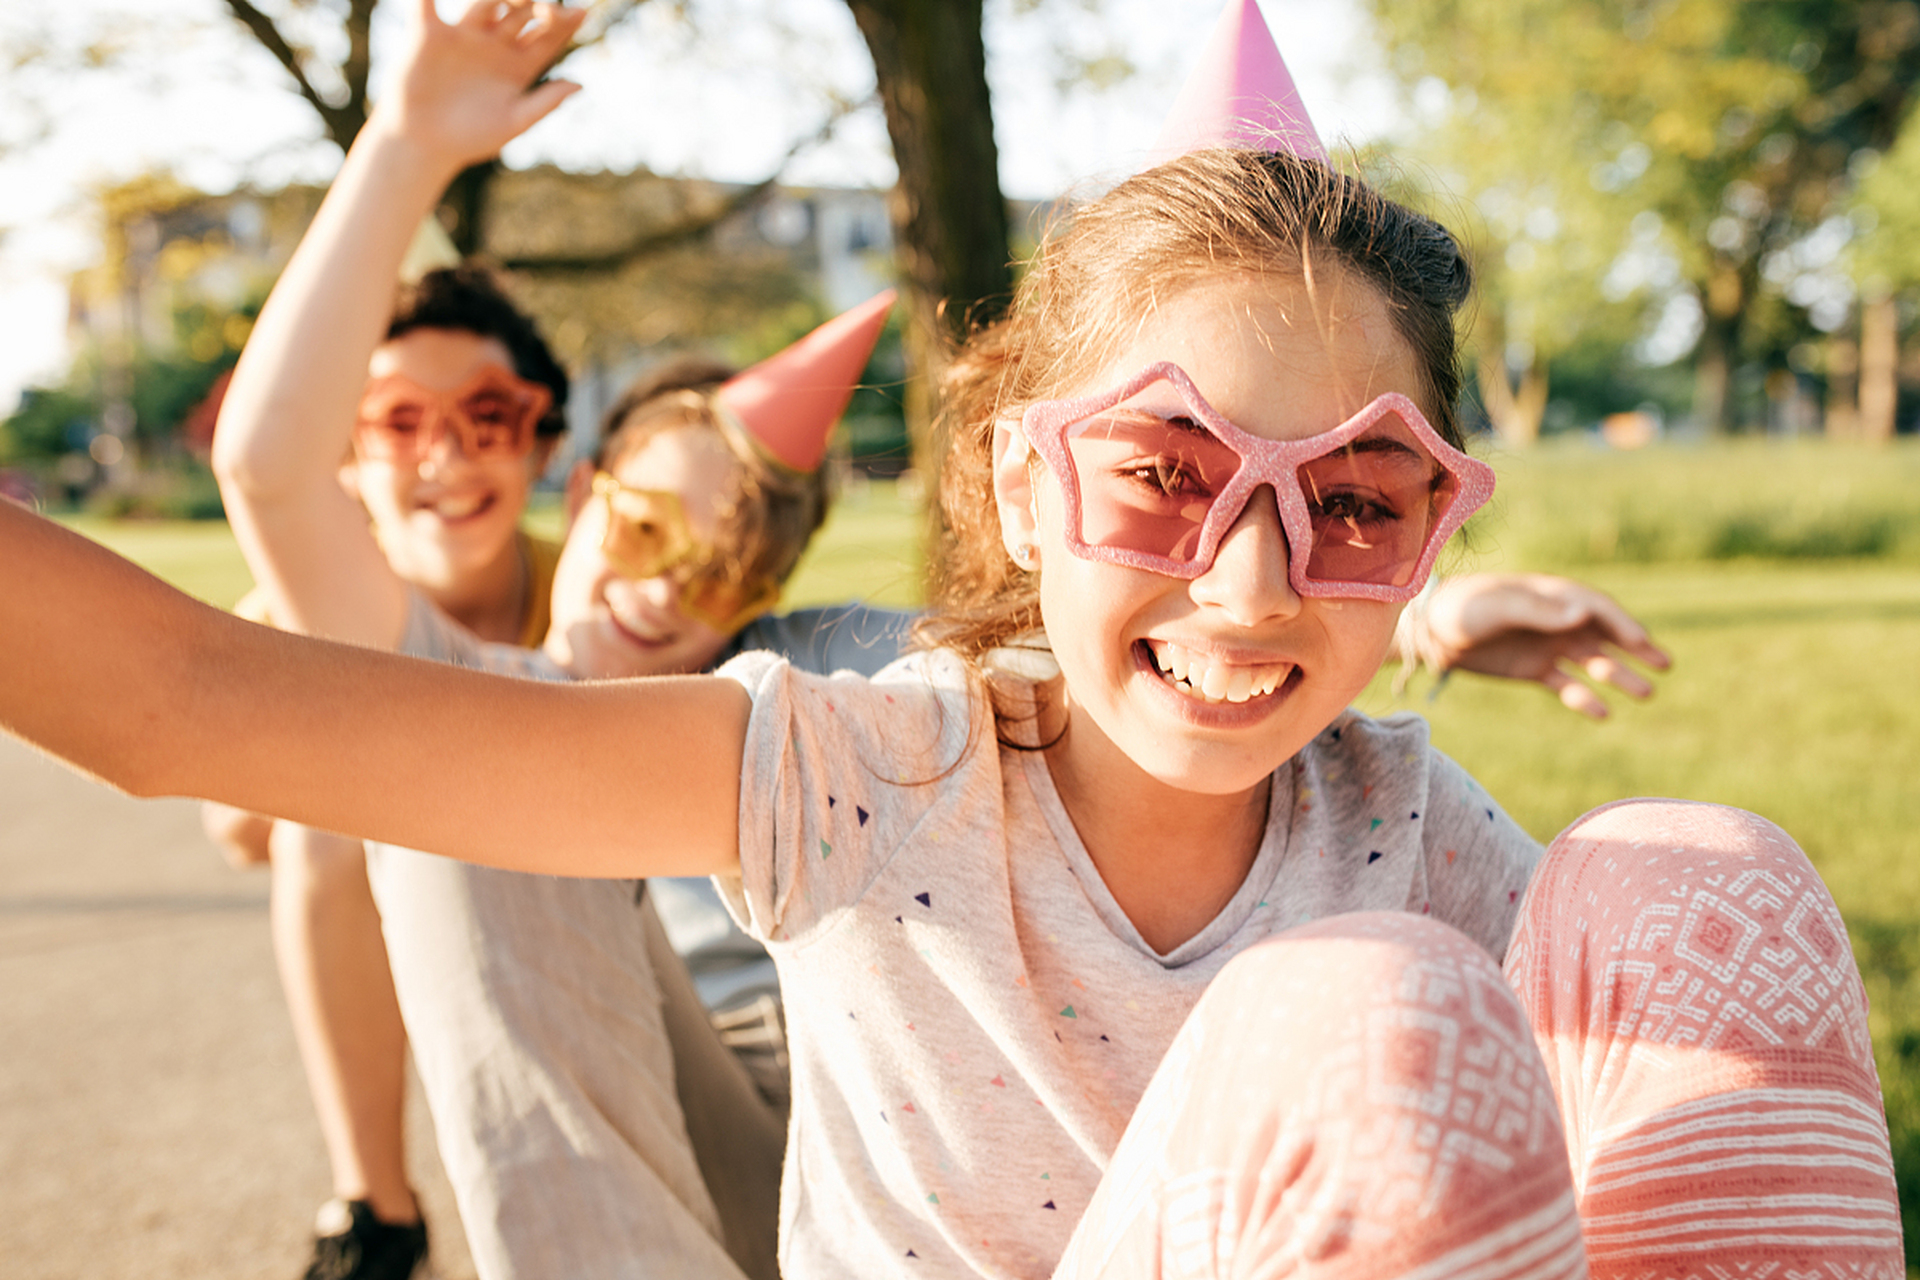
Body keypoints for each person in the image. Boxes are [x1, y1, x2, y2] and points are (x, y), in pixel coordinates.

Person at [13, 2, 1893, 1275]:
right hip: (699, 1114)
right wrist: (410, 148)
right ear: (1017, 486)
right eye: (1166, 472)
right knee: (1371, 1014)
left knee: (1690, 875)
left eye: (1356, 502)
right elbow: (198, 698)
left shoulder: (1399, 816)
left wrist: (1431, 630)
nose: (1253, 586)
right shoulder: (867, 761)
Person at [201, 260, 569, 1280]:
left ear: (544, 438)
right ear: (349, 458)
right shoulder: (294, 610)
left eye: (487, 414)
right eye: (398, 421)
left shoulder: (590, 593)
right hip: (387, 886)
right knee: (323, 811)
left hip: (577, 881)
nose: (444, 454)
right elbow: (236, 835)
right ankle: (378, 1211)